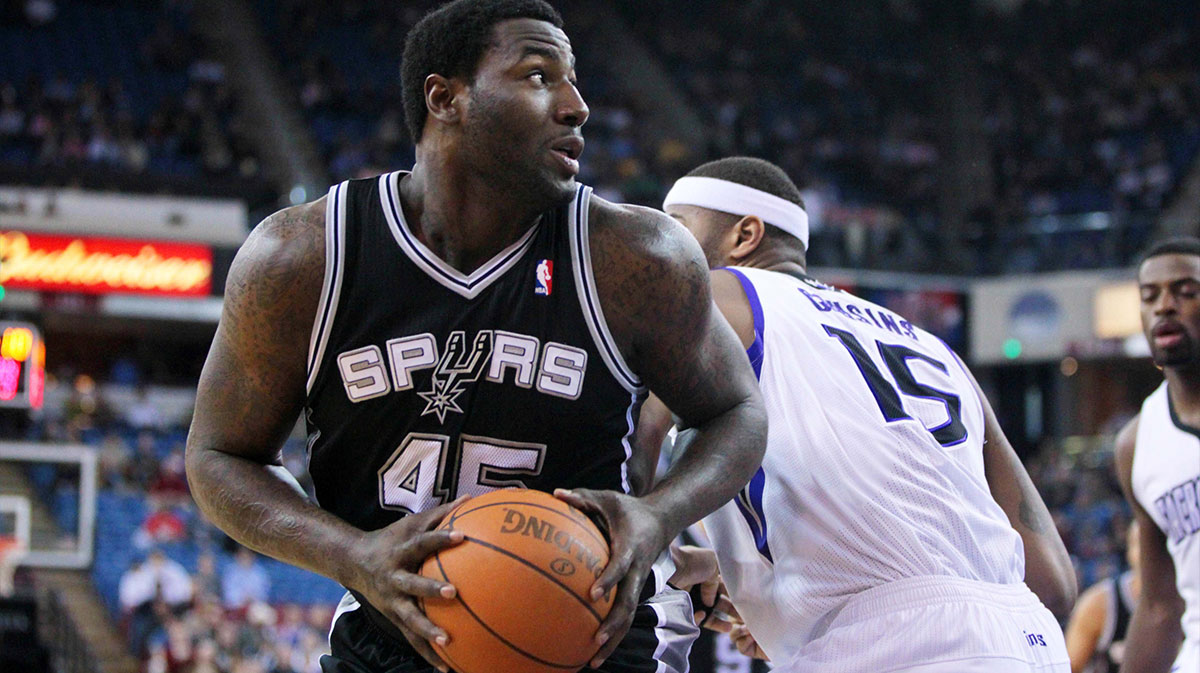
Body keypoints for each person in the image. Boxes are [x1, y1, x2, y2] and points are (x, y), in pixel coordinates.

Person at [184, 3, 767, 673]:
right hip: (396, 635)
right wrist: (349, 553)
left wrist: (659, 515)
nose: (577, 106)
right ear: (446, 98)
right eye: (539, 76)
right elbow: (218, 454)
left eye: (574, 80)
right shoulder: (304, 257)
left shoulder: (636, 256)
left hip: (588, 633)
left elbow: (739, 411)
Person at [645, 157, 1077, 672]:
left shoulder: (714, 293)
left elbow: (632, 441)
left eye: (678, 228)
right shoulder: (935, 347)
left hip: (889, 652)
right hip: (1027, 641)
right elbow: (1054, 581)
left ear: (745, 235)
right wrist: (777, 596)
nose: (662, 249)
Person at [1113, 238, 1200, 673]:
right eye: (1150, 297)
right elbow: (1160, 607)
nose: (1164, 306)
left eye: (1186, 292)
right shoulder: (1136, 443)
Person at [1065, 521, 1141, 673]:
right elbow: (1069, 668)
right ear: (1129, 552)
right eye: (1141, 544)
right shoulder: (1099, 604)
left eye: (1160, 543)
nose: (1151, 552)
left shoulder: (1190, 598)